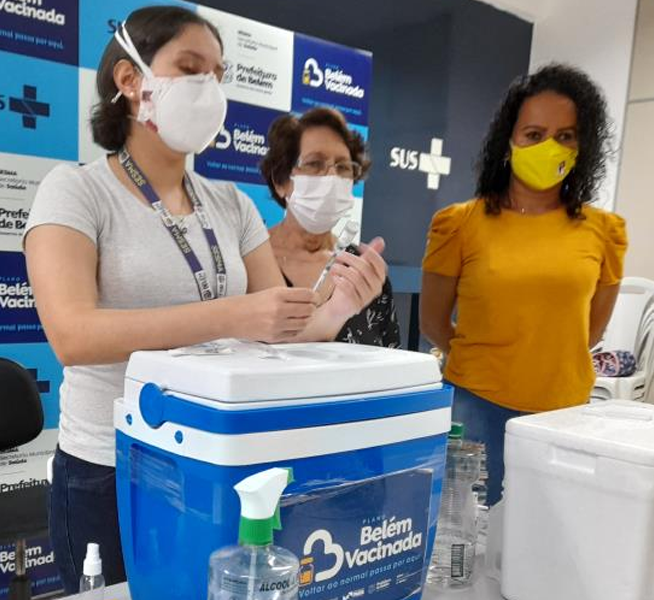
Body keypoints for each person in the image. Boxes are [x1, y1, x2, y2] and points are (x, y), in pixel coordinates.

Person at [22, 6, 387, 593]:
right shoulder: (76, 191)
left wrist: (340, 306)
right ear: (129, 79)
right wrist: (232, 316)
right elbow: (73, 335)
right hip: (110, 466)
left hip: (216, 459)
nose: (210, 89)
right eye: (192, 69)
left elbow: (282, 325)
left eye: (219, 74)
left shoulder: (231, 204)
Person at [419, 64, 627, 506]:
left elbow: (591, 330)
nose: (550, 146)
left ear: (582, 146)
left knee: (549, 531)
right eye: (534, 134)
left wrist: (544, 360)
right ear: (509, 141)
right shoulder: (460, 224)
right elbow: (433, 322)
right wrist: (488, 361)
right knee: (467, 535)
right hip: (476, 406)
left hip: (565, 412)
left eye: (565, 136)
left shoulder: (604, 231)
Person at [260, 108, 401, 347]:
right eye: (314, 163)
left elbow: (391, 359)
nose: (332, 177)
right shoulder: (247, 262)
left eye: (343, 167)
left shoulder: (362, 273)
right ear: (280, 181)